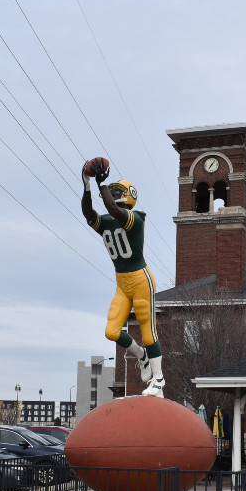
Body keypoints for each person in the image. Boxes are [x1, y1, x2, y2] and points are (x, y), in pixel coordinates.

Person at [81, 157, 165, 397]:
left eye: (118, 190)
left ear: (129, 195)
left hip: (140, 279)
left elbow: (113, 209)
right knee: (112, 331)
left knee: (148, 331)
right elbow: (89, 213)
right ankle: (141, 355)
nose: (114, 193)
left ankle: (159, 380)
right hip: (122, 283)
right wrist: (87, 184)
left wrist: (101, 185)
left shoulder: (136, 218)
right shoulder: (107, 221)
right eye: (112, 190)